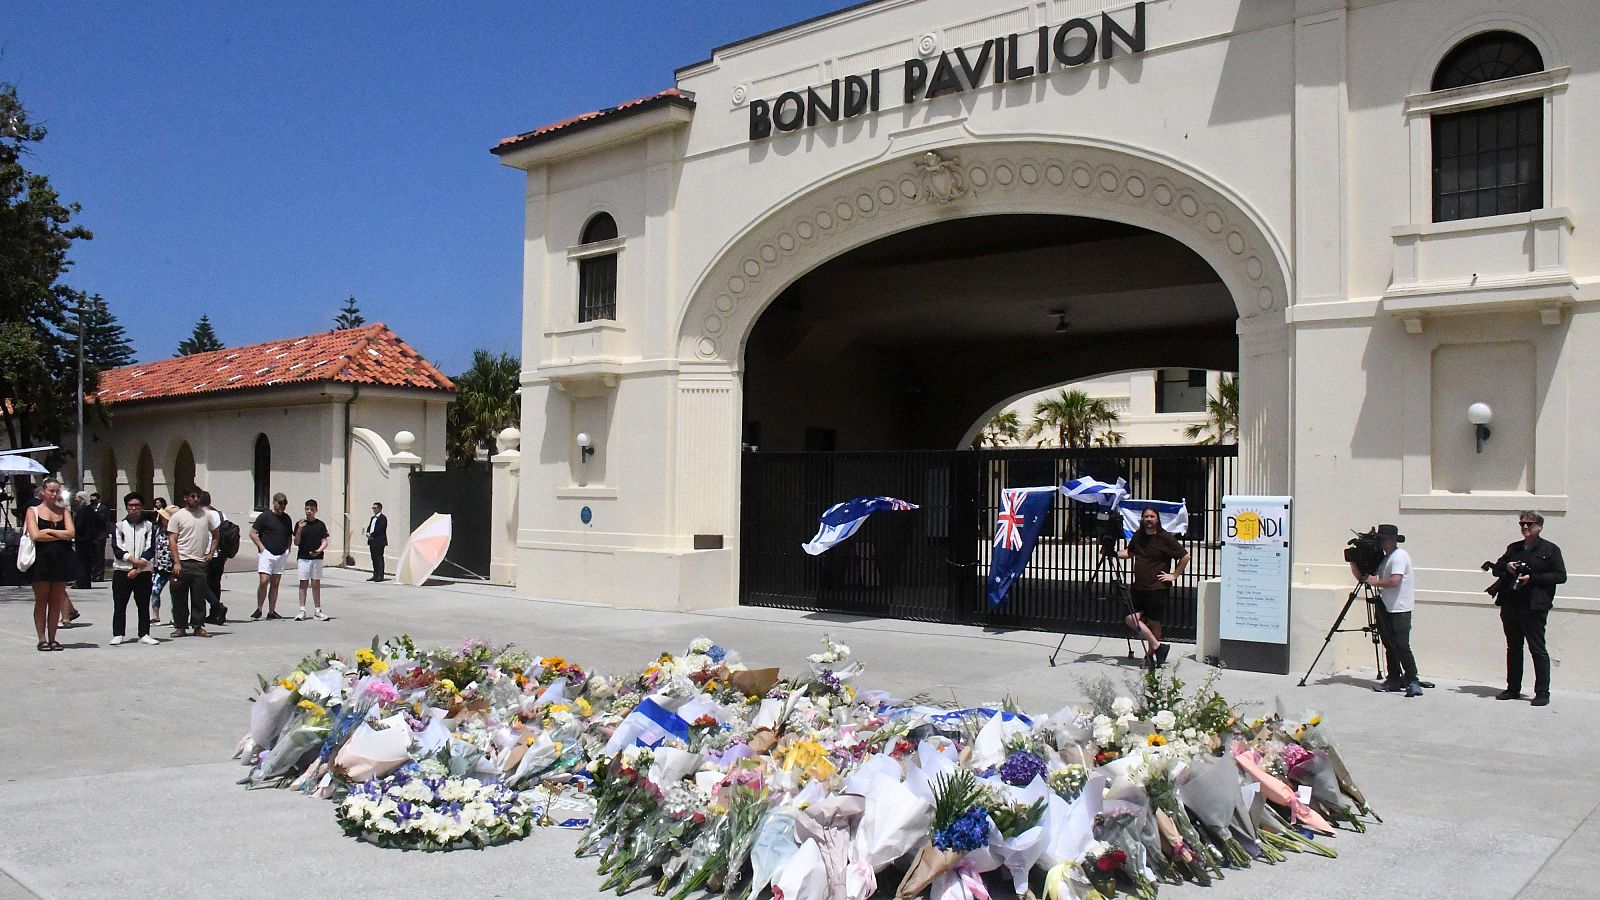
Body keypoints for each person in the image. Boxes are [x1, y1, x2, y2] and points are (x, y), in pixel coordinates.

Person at [1489, 511, 1566, 707]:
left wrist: (1533, 578)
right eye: (1522, 524)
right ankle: (1513, 688)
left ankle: (1542, 692)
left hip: (1534, 606)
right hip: (1511, 603)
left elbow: (1560, 576)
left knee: (1537, 649)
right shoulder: (1514, 548)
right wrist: (1507, 566)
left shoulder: (1550, 549)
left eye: (1529, 524)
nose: (1525, 527)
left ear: (1539, 526)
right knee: (1513, 647)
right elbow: (1497, 568)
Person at [1349, 524, 1427, 697]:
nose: (1381, 543)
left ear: (1392, 540)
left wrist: (1375, 582)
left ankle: (1412, 679)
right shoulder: (1386, 558)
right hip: (1386, 606)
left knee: (1401, 645)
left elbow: (1394, 581)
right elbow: (1365, 578)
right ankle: (1393, 679)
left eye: (1383, 539)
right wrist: (1353, 562)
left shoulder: (1400, 556)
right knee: (1389, 645)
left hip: (1400, 608)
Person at [1117, 506, 1189, 670]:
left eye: (1152, 516)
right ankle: (1158, 646)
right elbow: (1130, 552)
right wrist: (1114, 553)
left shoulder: (1165, 538)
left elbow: (1185, 556)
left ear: (1157, 519)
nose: (1148, 519)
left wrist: (1174, 575)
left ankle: (1150, 655)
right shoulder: (1138, 536)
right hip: (1138, 587)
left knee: (1153, 622)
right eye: (1146, 516)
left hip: (1157, 588)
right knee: (1130, 619)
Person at [26, 478, 76, 650]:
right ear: (43, 492)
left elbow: (71, 533)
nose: (54, 494)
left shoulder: (64, 511)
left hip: (61, 560)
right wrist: (59, 535)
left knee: (56, 601)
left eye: (57, 491)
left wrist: (48, 531)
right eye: (51, 491)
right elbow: (35, 535)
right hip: (41, 560)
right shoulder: (33, 511)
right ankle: (42, 639)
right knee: (41, 601)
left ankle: (53, 638)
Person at [166, 486, 217, 638]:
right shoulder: (178, 516)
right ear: (185, 498)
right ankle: (180, 626)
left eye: (198, 497)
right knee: (179, 596)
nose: (196, 499)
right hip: (182, 561)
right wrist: (176, 562)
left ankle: (198, 626)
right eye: (193, 496)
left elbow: (216, 534)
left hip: (199, 562)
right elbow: (172, 540)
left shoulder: (206, 515)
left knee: (199, 597)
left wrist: (211, 552)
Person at [109, 492, 159, 646]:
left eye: (137, 505)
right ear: (126, 507)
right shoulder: (119, 526)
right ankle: (118, 634)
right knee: (120, 605)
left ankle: (144, 634)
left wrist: (138, 566)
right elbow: (117, 549)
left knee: (143, 605)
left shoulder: (149, 526)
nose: (134, 508)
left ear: (142, 507)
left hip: (143, 572)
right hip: (122, 571)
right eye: (131, 506)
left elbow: (151, 548)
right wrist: (133, 560)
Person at [250, 492, 294, 620]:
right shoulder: (265, 517)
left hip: (281, 554)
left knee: (275, 583)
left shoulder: (287, 519)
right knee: (264, 581)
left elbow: (289, 535)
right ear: (274, 503)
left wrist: (288, 549)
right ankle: (259, 608)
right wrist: (262, 548)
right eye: (280, 503)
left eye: (284, 503)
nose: (282, 506)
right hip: (267, 553)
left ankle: (271, 611)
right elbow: (253, 533)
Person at [294, 499, 330, 621]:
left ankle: (317, 610)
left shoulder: (320, 525)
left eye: (312, 509)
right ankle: (302, 610)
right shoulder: (300, 524)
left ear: (316, 510)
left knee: (316, 583)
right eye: (307, 509)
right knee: (303, 583)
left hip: (317, 558)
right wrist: (299, 529)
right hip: (303, 558)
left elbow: (324, 541)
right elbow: (296, 542)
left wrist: (318, 550)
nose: (309, 511)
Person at [200, 490, 228, 624]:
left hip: (205, 553)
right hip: (220, 554)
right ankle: (214, 614)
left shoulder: (201, 515)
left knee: (201, 584)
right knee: (215, 583)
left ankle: (216, 606)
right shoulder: (221, 515)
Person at [149, 505, 175, 624]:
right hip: (160, 567)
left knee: (175, 593)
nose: (162, 519)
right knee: (155, 589)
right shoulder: (158, 530)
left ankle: (175, 617)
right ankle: (155, 616)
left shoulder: (177, 531)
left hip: (174, 567)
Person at [72, 490, 99, 590]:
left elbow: (80, 525)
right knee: (87, 562)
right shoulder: (90, 509)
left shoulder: (83, 510)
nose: (75, 500)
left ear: (82, 499)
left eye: (77, 498)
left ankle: (82, 582)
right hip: (88, 540)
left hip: (82, 539)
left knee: (82, 562)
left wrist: (73, 529)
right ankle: (85, 582)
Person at [365, 501, 388, 582]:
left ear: (380, 508)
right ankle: (375, 574)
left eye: (375, 508)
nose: (373, 509)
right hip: (372, 541)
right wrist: (368, 533)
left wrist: (372, 535)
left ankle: (380, 576)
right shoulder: (373, 518)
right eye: (373, 508)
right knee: (374, 558)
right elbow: (370, 527)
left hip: (379, 541)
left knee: (379, 558)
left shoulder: (383, 518)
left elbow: (380, 529)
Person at [89, 492, 110, 580]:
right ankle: (93, 573)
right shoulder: (90, 508)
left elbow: (103, 519)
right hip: (92, 536)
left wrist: (95, 512)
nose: (92, 501)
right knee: (92, 556)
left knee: (99, 556)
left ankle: (99, 575)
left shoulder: (103, 508)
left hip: (100, 536)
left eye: (94, 499)